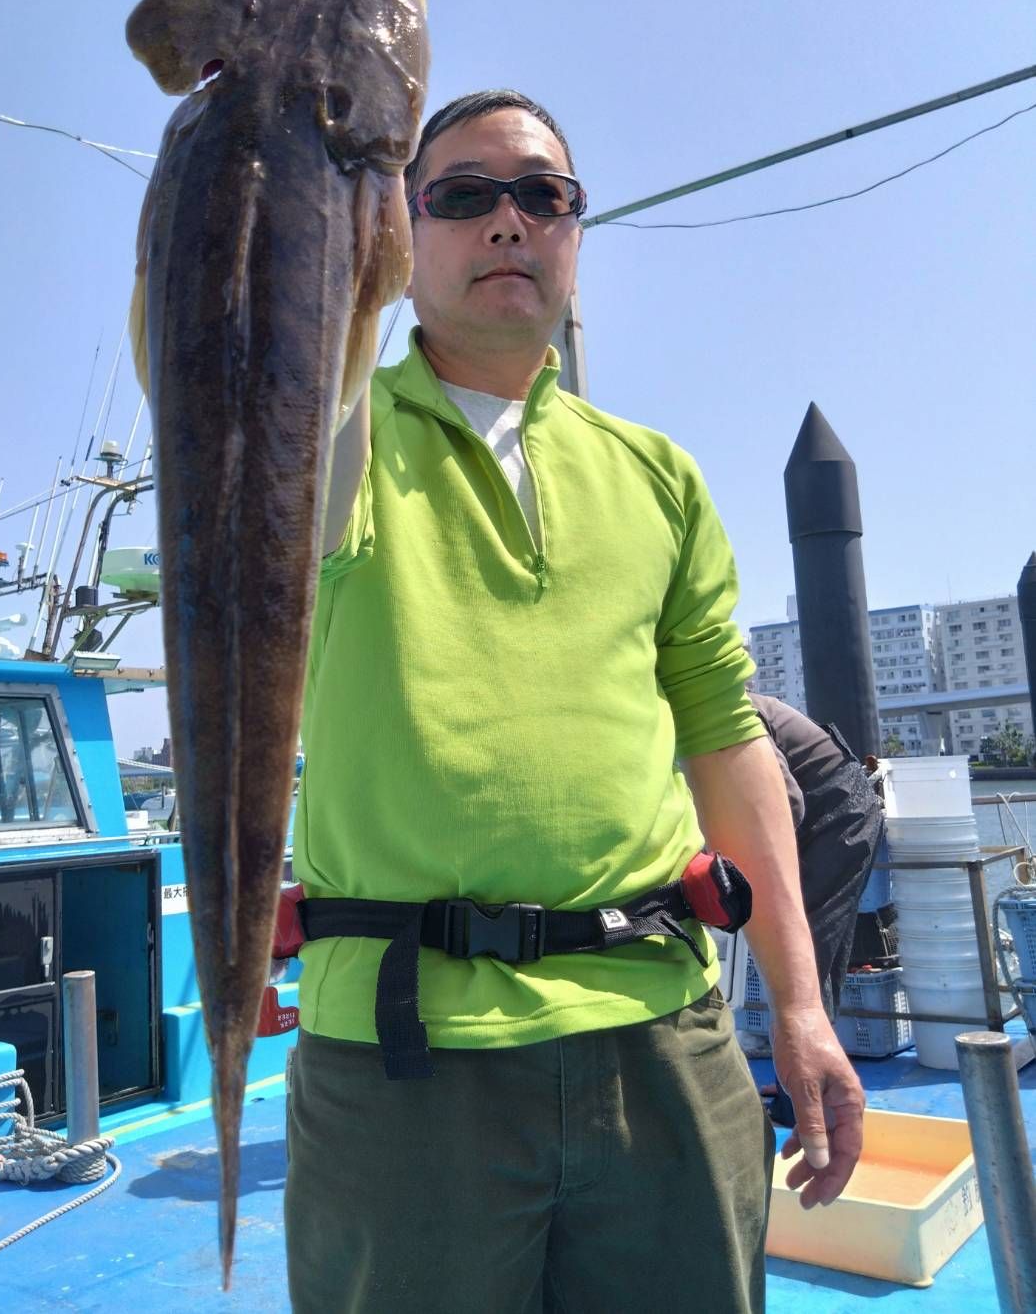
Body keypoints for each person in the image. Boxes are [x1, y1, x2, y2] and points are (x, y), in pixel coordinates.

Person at [281, 90, 864, 1314]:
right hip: (403, 1057)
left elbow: (723, 736)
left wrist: (801, 1006)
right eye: (463, 194)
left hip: (663, 1031)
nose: (509, 221)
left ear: (575, 233)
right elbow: (266, 378)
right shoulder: (324, 437)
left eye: (542, 195)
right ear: (398, 228)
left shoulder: (657, 475)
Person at [749, 692, 885, 1123]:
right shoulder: (736, 702)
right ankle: (805, 1084)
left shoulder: (732, 710)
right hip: (838, 809)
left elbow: (784, 802)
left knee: (802, 958)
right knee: (818, 959)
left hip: (837, 815)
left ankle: (800, 1099)